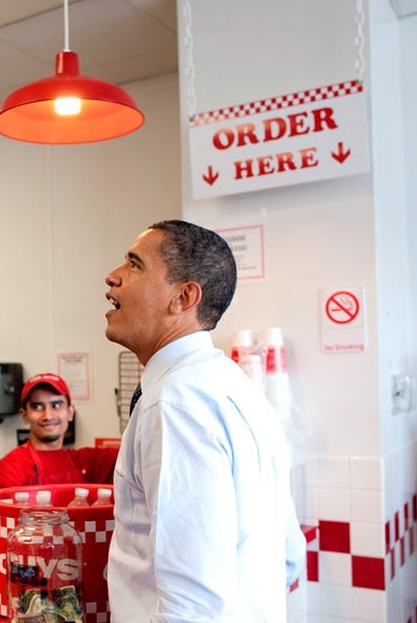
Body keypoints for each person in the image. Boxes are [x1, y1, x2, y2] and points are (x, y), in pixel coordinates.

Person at [103, 220, 304, 622]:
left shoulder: (176, 403)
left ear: (183, 297)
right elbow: (288, 556)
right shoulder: (234, 385)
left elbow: (191, 602)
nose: (112, 277)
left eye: (134, 264)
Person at [0, 372, 119, 489]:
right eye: (37, 407)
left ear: (70, 412)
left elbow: (135, 455)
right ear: (24, 415)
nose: (48, 415)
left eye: (56, 405)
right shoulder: (9, 469)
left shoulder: (88, 462)